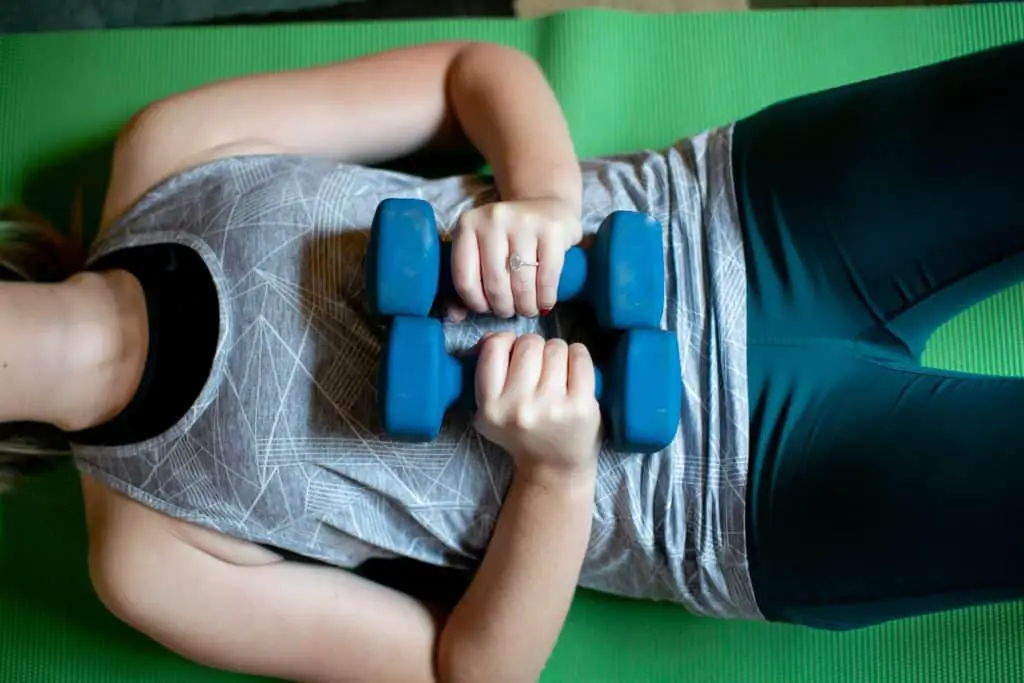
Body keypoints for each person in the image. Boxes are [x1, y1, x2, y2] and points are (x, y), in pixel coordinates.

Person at [1, 36, 1022, 683]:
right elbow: (468, 669)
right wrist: (555, 469)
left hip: (744, 208)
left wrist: (537, 199)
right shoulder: (145, 559)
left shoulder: (170, 149)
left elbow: (472, 73)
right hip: (741, 497)